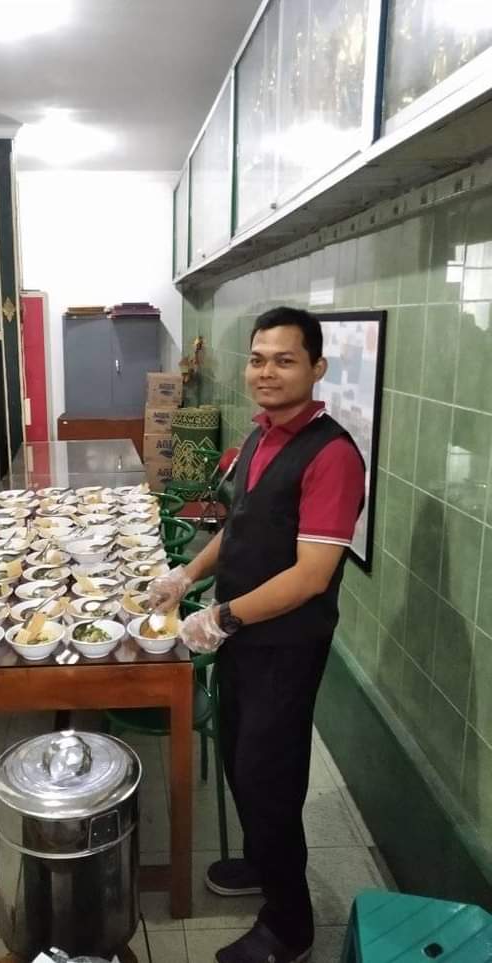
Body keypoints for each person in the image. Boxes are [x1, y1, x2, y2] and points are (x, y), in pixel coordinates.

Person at [150, 307, 365, 963]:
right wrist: (185, 575)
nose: (266, 372)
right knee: (244, 762)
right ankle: (261, 862)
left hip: (286, 646)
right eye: (257, 358)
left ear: (317, 367)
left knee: (270, 776)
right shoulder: (259, 439)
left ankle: (290, 927)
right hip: (244, 637)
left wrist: (223, 616)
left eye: (284, 359)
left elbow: (310, 575)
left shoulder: (331, 455)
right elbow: (239, 530)